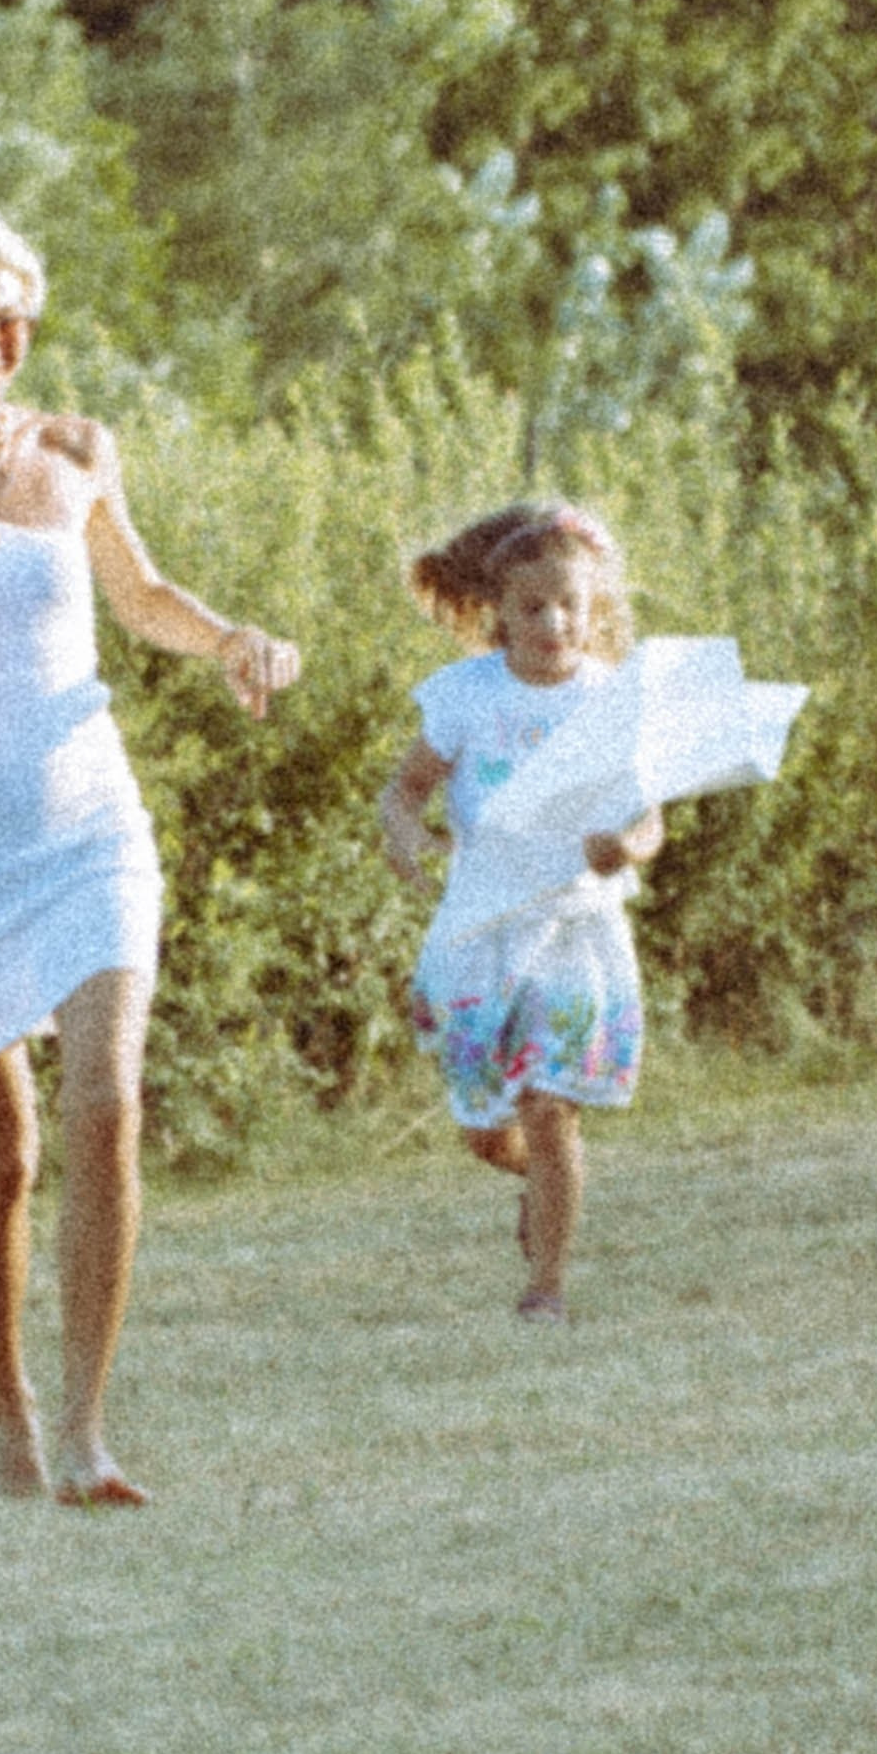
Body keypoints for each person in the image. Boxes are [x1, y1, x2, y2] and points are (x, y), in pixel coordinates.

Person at [0, 207, 299, 1504]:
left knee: (108, 1104)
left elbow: (140, 598)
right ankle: (5, 1399)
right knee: (5, 1154)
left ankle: (88, 1431)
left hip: (91, 828)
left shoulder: (79, 448)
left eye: (11, 322)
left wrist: (235, 639)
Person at [376, 502, 662, 1322]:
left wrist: (628, 847)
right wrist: (404, 832)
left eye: (570, 604)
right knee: (486, 1129)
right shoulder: (466, 697)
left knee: (548, 1106)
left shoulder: (611, 698)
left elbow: (650, 817)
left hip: (575, 927)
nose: (554, 622)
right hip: (482, 928)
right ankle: (541, 1187)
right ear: (499, 608)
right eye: (534, 605)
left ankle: (547, 1287)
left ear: (593, 606)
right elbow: (405, 789)